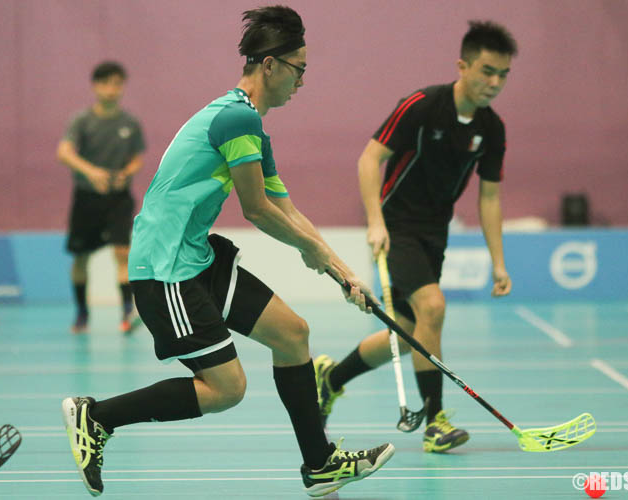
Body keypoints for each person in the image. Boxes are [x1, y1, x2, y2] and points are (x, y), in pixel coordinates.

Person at [61, 6, 393, 498]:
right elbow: (257, 210)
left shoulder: (251, 126)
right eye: (299, 68)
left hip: (198, 256)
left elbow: (286, 207)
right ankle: (98, 417)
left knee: (293, 334)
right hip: (166, 269)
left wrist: (343, 272)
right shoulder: (235, 118)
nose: (303, 80)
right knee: (227, 389)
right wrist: (314, 254)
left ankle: (320, 465)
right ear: (270, 65)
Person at [314, 20, 517, 453]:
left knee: (409, 331)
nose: (494, 82)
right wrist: (375, 220)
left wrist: (499, 262)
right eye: (486, 71)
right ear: (462, 65)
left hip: (434, 232)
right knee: (433, 307)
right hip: (397, 224)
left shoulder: (493, 129)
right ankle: (435, 422)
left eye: (502, 74)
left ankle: (330, 378)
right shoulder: (422, 106)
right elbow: (370, 158)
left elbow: (490, 199)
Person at [57, 61, 146, 334]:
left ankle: (127, 313)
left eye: (117, 84)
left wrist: (126, 172)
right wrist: (91, 172)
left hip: (118, 198)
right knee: (82, 257)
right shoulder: (82, 121)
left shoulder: (130, 123)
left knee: (122, 252)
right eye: (106, 83)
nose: (112, 89)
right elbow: (64, 152)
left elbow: (137, 157)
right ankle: (82, 313)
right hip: (87, 198)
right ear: (95, 86)